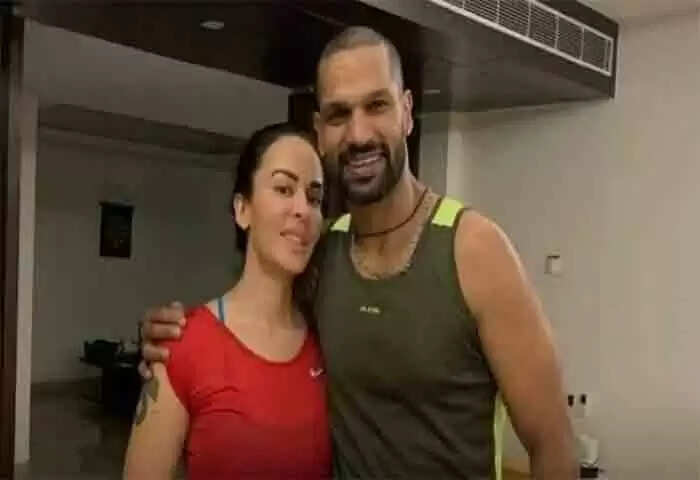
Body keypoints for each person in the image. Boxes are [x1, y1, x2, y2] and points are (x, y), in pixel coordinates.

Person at [140, 27, 576, 479]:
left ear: (407, 112)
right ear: (320, 132)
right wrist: (170, 338)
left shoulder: (475, 250)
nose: (359, 133)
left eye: (377, 105)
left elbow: (553, 443)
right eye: (339, 114)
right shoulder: (322, 252)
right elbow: (250, 324)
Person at [124, 123, 331, 479]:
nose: (302, 209)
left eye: (314, 198)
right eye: (283, 188)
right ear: (242, 209)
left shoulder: (327, 339)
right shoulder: (182, 344)